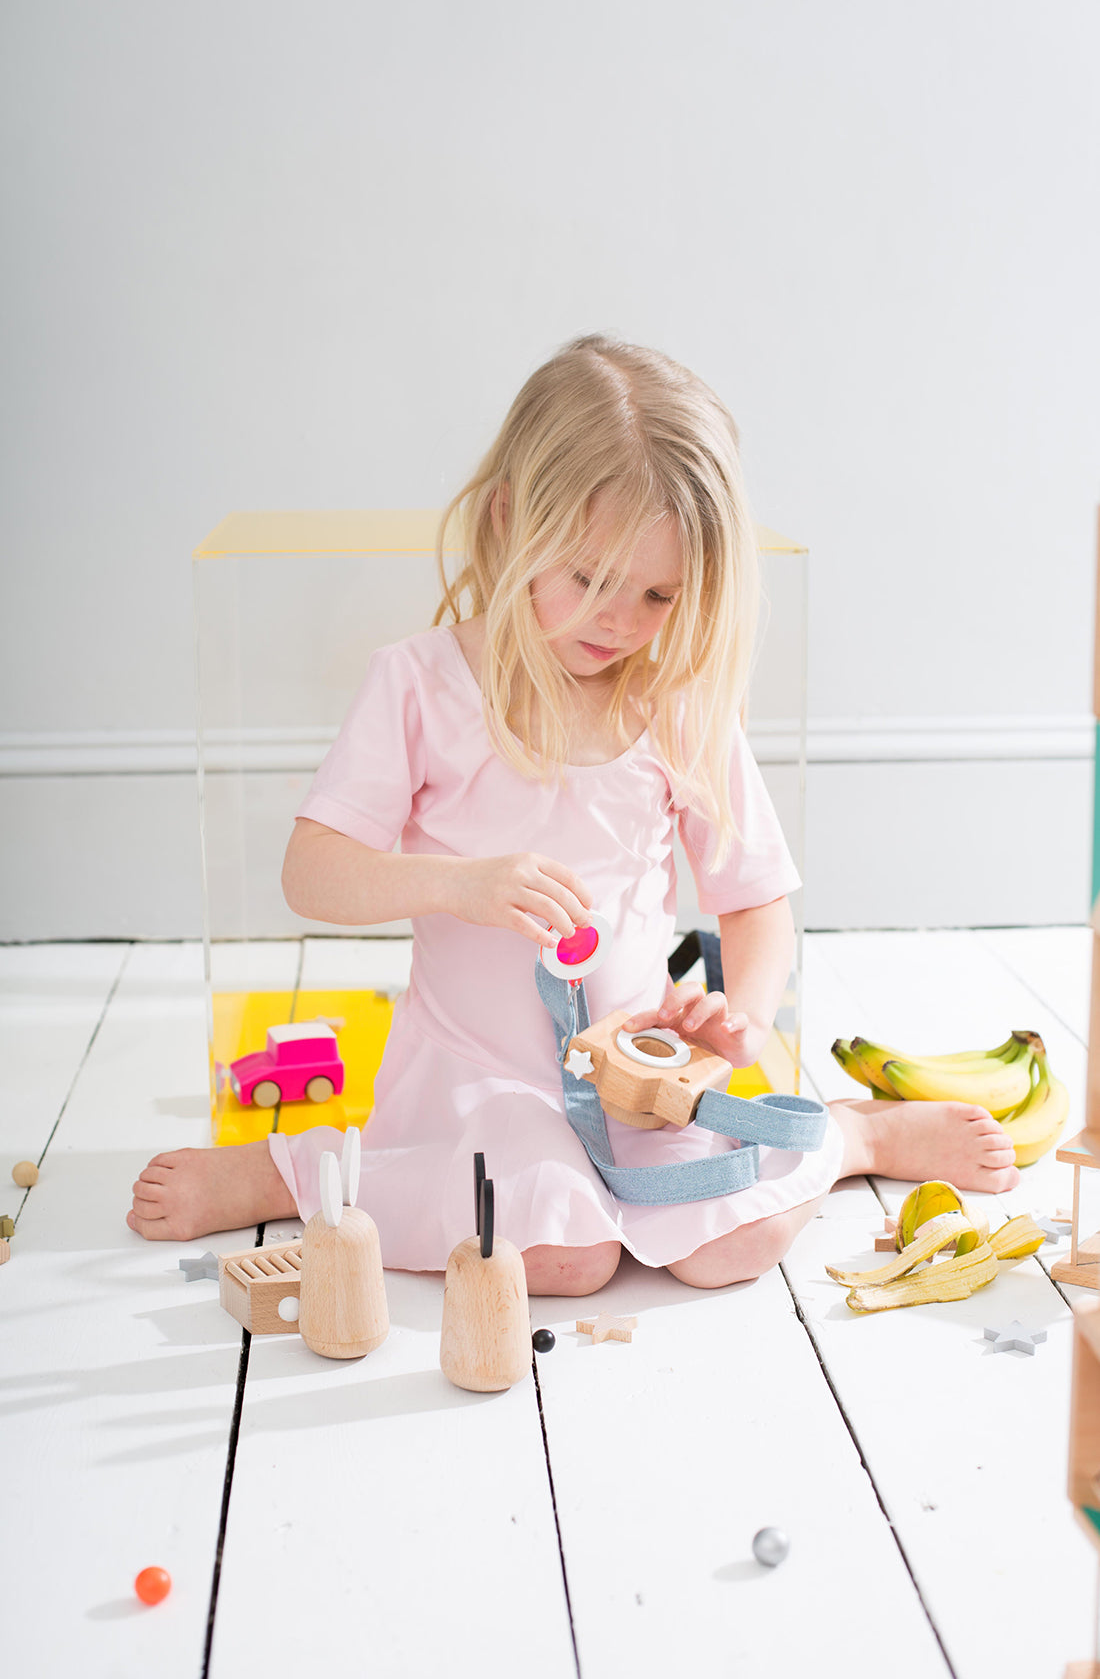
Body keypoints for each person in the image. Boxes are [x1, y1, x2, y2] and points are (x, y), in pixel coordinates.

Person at [127, 334, 1020, 1291]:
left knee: (730, 1247)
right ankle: (295, 1169)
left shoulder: (676, 703)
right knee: (561, 1253)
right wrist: (457, 884)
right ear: (510, 522)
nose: (619, 622)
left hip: (637, 1078)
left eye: (659, 594)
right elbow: (313, 870)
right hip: (475, 1076)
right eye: (589, 578)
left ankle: (851, 1135)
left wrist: (741, 1024)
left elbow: (755, 900)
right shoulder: (421, 685)